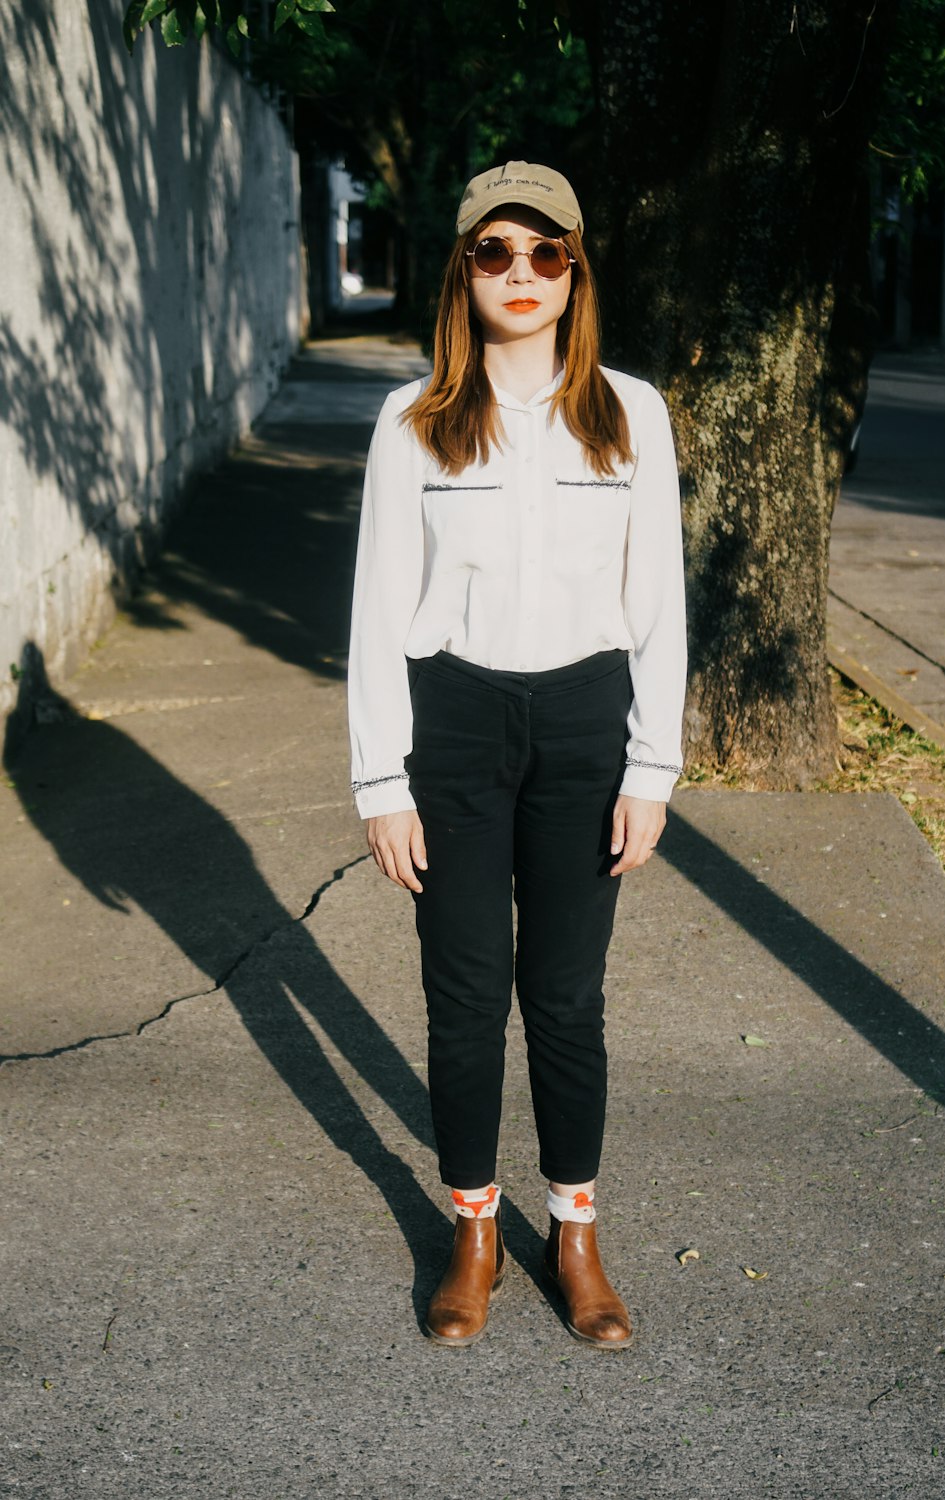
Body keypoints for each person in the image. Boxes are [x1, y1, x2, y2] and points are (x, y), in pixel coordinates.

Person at [347, 160, 686, 1349]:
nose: (522, 275)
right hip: (455, 725)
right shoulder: (414, 418)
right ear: (464, 271)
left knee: (565, 997)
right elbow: (379, 608)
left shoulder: (630, 411)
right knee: (464, 995)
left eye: (546, 253)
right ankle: (475, 1229)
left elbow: (659, 605)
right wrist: (380, 781)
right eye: (495, 253)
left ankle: (576, 1231)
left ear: (576, 269)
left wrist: (653, 769)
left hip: (588, 725)